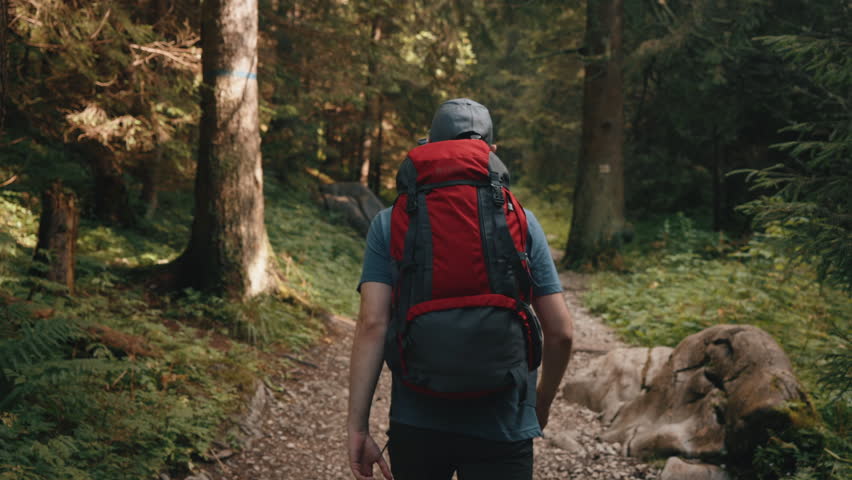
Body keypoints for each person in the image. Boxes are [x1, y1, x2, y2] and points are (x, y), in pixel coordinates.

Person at [347, 98, 574, 480]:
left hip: (417, 424)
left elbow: (373, 324)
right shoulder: (522, 219)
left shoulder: (390, 222)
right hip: (504, 426)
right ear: (492, 151)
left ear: (430, 144)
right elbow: (562, 332)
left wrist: (357, 427)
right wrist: (542, 403)